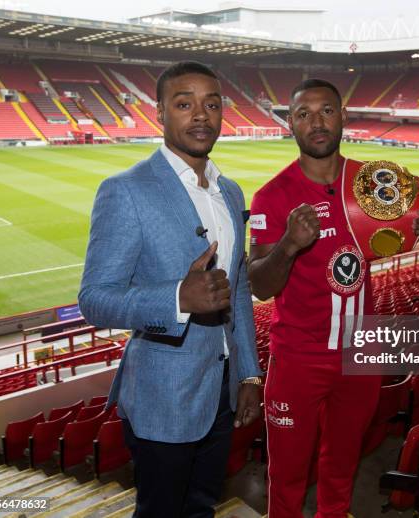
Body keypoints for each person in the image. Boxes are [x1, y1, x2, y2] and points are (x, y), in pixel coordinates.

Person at [78, 61, 262, 518]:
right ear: (159, 112)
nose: (201, 115)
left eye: (212, 104)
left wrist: (249, 375)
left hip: (221, 393)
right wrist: (178, 298)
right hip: (164, 398)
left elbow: (236, 291)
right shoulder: (126, 191)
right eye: (185, 104)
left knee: (202, 507)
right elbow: (95, 299)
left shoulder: (232, 193)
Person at [247, 78, 419, 518]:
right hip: (298, 357)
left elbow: (396, 237)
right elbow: (259, 284)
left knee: (342, 465)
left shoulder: (372, 184)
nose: (316, 122)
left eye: (326, 110)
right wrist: (288, 246)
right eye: (303, 113)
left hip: (360, 356)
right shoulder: (271, 197)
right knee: (288, 473)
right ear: (290, 124)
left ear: (343, 117)